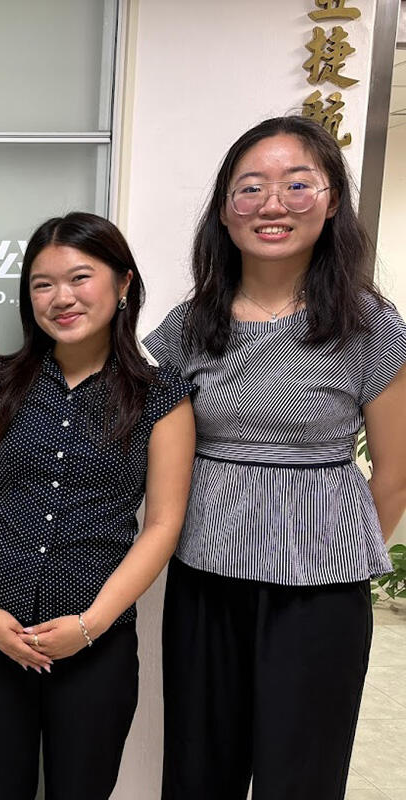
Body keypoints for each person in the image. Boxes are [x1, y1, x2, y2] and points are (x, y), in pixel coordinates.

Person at [146, 116, 406, 800]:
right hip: (205, 578)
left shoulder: (370, 326)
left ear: (330, 201)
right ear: (225, 214)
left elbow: (395, 472)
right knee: (200, 773)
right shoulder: (186, 327)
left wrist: (328, 555)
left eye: (298, 185)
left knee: (302, 776)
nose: (272, 204)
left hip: (319, 594)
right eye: (250, 188)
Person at [0, 211, 195, 799]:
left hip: (98, 643)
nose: (61, 298)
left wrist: (90, 625)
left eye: (80, 278)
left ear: (123, 283)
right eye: (42, 284)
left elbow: (163, 522)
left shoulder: (162, 396)